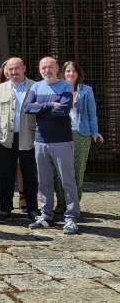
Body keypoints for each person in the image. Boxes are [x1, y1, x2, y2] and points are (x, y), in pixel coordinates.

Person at [25, 57, 79, 234]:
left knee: (67, 181)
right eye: (43, 67)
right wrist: (49, 104)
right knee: (44, 181)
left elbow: (63, 110)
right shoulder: (35, 87)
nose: (46, 70)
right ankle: (45, 215)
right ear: (39, 69)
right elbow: (27, 108)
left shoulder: (65, 86)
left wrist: (40, 109)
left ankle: (71, 218)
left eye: (50, 67)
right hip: (40, 141)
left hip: (62, 140)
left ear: (57, 69)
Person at [0, 57, 38, 222]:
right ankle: (5, 209)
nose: (14, 72)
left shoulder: (35, 87)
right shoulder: (0, 88)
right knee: (5, 175)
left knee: (30, 175)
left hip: (28, 137)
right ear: (6, 71)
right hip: (5, 139)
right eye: (11, 69)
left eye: (17, 68)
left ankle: (32, 209)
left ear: (24, 68)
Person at [56, 61, 103, 209]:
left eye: (74, 71)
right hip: (61, 134)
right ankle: (61, 203)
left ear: (78, 74)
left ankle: (74, 203)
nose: (71, 74)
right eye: (68, 71)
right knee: (59, 170)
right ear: (63, 73)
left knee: (78, 169)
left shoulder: (87, 90)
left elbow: (92, 114)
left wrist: (95, 132)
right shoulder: (57, 89)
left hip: (81, 134)